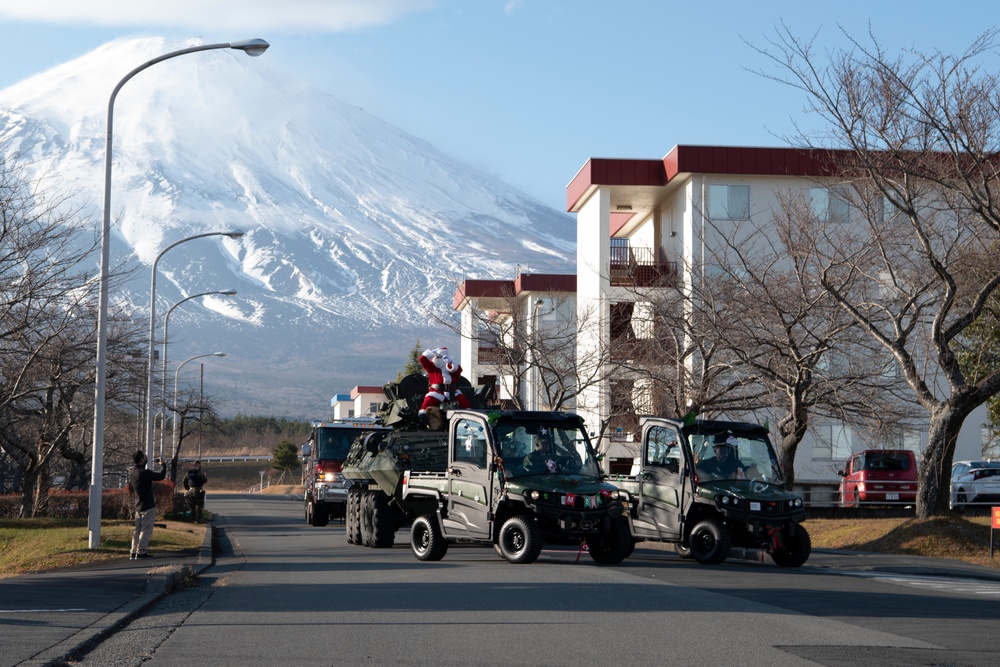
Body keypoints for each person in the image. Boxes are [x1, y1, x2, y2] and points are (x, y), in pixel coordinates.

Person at [127, 450, 167, 559]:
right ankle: (141, 551)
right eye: (145, 457)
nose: (146, 458)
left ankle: (133, 551)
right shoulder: (144, 473)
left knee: (137, 530)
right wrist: (163, 465)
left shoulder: (132, 472)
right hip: (147, 505)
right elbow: (161, 476)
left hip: (138, 505)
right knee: (146, 529)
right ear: (141, 460)